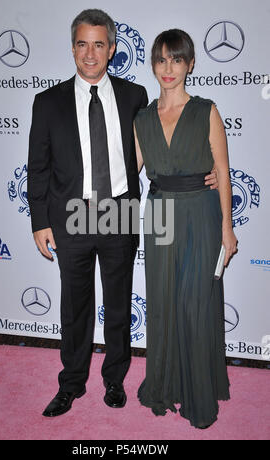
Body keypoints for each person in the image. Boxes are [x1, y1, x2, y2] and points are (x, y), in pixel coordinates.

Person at [27, 10, 218, 418]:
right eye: (82, 44)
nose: (91, 53)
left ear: (112, 49)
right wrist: (40, 221)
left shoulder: (134, 97)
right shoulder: (47, 102)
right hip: (72, 214)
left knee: (117, 304)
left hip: (121, 212)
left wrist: (210, 174)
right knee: (74, 307)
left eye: (99, 44)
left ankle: (114, 379)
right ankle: (72, 383)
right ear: (73, 48)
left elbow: (162, 147)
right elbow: (37, 167)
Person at [134, 29, 237, 429]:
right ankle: (164, 384)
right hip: (159, 213)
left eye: (176, 60)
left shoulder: (207, 110)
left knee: (195, 306)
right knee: (161, 303)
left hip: (201, 214)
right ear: (153, 66)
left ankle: (198, 395)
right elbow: (131, 170)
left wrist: (227, 227)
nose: (168, 69)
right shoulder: (143, 117)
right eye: (161, 60)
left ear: (190, 64)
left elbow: (223, 171)